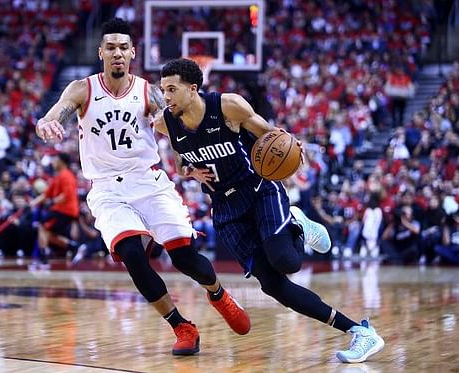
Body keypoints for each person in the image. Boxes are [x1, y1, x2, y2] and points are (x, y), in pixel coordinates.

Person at [34, 18, 249, 355]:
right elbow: (52, 115)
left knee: (185, 258)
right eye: (111, 47)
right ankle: (182, 326)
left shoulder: (149, 92)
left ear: (132, 52)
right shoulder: (81, 89)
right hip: (107, 189)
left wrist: (187, 163)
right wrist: (46, 125)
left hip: (148, 181)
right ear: (101, 52)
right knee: (132, 254)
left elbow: (177, 132)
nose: (117, 53)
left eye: (123, 47)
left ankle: (218, 293)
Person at [155, 58, 385, 363]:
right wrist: (191, 172)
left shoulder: (228, 106)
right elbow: (181, 160)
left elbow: (270, 135)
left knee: (287, 262)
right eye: (163, 90)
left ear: (192, 89)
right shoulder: (165, 122)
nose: (166, 96)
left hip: (258, 189)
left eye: (172, 89)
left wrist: (290, 145)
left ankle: (297, 223)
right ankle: (360, 332)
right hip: (226, 208)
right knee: (274, 287)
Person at [30, 153, 80, 268]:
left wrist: (52, 202)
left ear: (61, 162)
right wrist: (32, 203)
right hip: (62, 210)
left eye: (55, 160)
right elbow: (46, 194)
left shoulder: (66, 176)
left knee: (42, 227)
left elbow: (66, 195)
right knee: (48, 234)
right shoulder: (58, 177)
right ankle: (72, 246)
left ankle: (43, 259)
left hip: (65, 210)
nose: (53, 162)